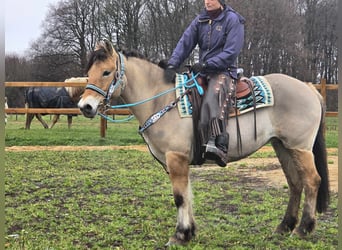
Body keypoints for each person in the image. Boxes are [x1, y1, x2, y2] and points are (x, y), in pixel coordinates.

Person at [165, 0, 245, 166]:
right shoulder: (200, 20)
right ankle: (192, 141)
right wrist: (172, 64)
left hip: (224, 71)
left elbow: (231, 52)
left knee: (212, 97)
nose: (207, 1)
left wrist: (208, 64)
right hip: (204, 71)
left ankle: (219, 143)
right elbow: (185, 42)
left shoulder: (232, 19)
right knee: (185, 94)